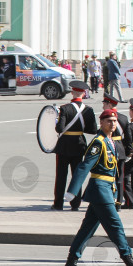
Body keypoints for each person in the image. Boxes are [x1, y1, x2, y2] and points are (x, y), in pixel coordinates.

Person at [61, 108, 133, 266]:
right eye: (108, 121)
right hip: (99, 189)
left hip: (106, 190)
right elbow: (84, 166)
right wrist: (73, 190)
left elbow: (115, 171)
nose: (112, 124)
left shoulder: (111, 142)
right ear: (101, 123)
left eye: (114, 121)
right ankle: (131, 264)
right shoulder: (98, 142)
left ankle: (70, 264)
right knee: (115, 227)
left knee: (87, 229)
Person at [52, 80, 98, 211]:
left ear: (72, 92)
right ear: (83, 93)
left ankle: (58, 203)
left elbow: (59, 129)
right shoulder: (88, 110)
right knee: (77, 174)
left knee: (61, 175)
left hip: (64, 145)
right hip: (79, 144)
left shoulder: (65, 108)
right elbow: (93, 130)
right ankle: (75, 203)